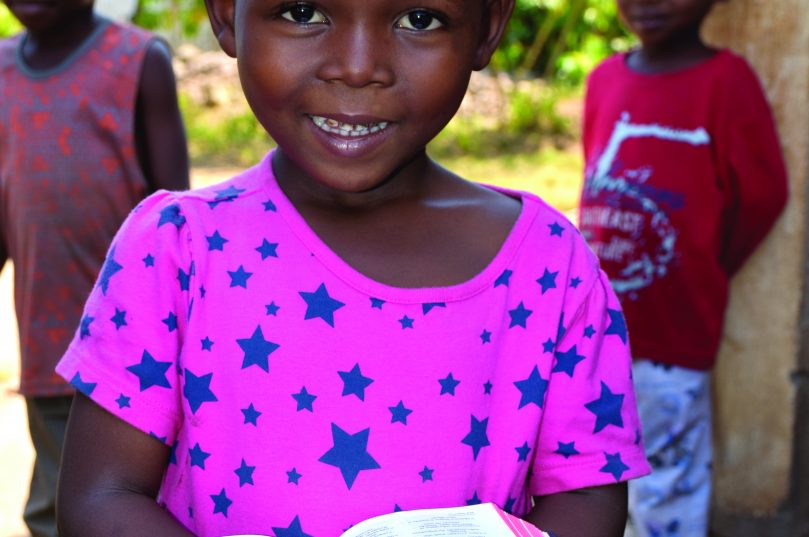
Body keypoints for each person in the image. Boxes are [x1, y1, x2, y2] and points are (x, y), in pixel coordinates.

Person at [54, 1, 650, 536]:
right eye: (303, 12)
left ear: (488, 26)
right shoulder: (175, 250)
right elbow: (100, 498)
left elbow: (587, 499)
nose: (359, 67)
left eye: (418, 20)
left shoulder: (551, 269)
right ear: (225, 14)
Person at [577, 0, 789, 535]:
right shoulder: (604, 79)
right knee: (598, 473)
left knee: (668, 481)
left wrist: (702, 265)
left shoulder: (727, 82)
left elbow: (763, 195)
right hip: (595, 331)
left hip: (675, 334)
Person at [0, 1, 190, 536]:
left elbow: (175, 219)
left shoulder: (137, 60)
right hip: (45, 341)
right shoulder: (2, 70)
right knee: (58, 502)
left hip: (136, 355)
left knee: (125, 500)